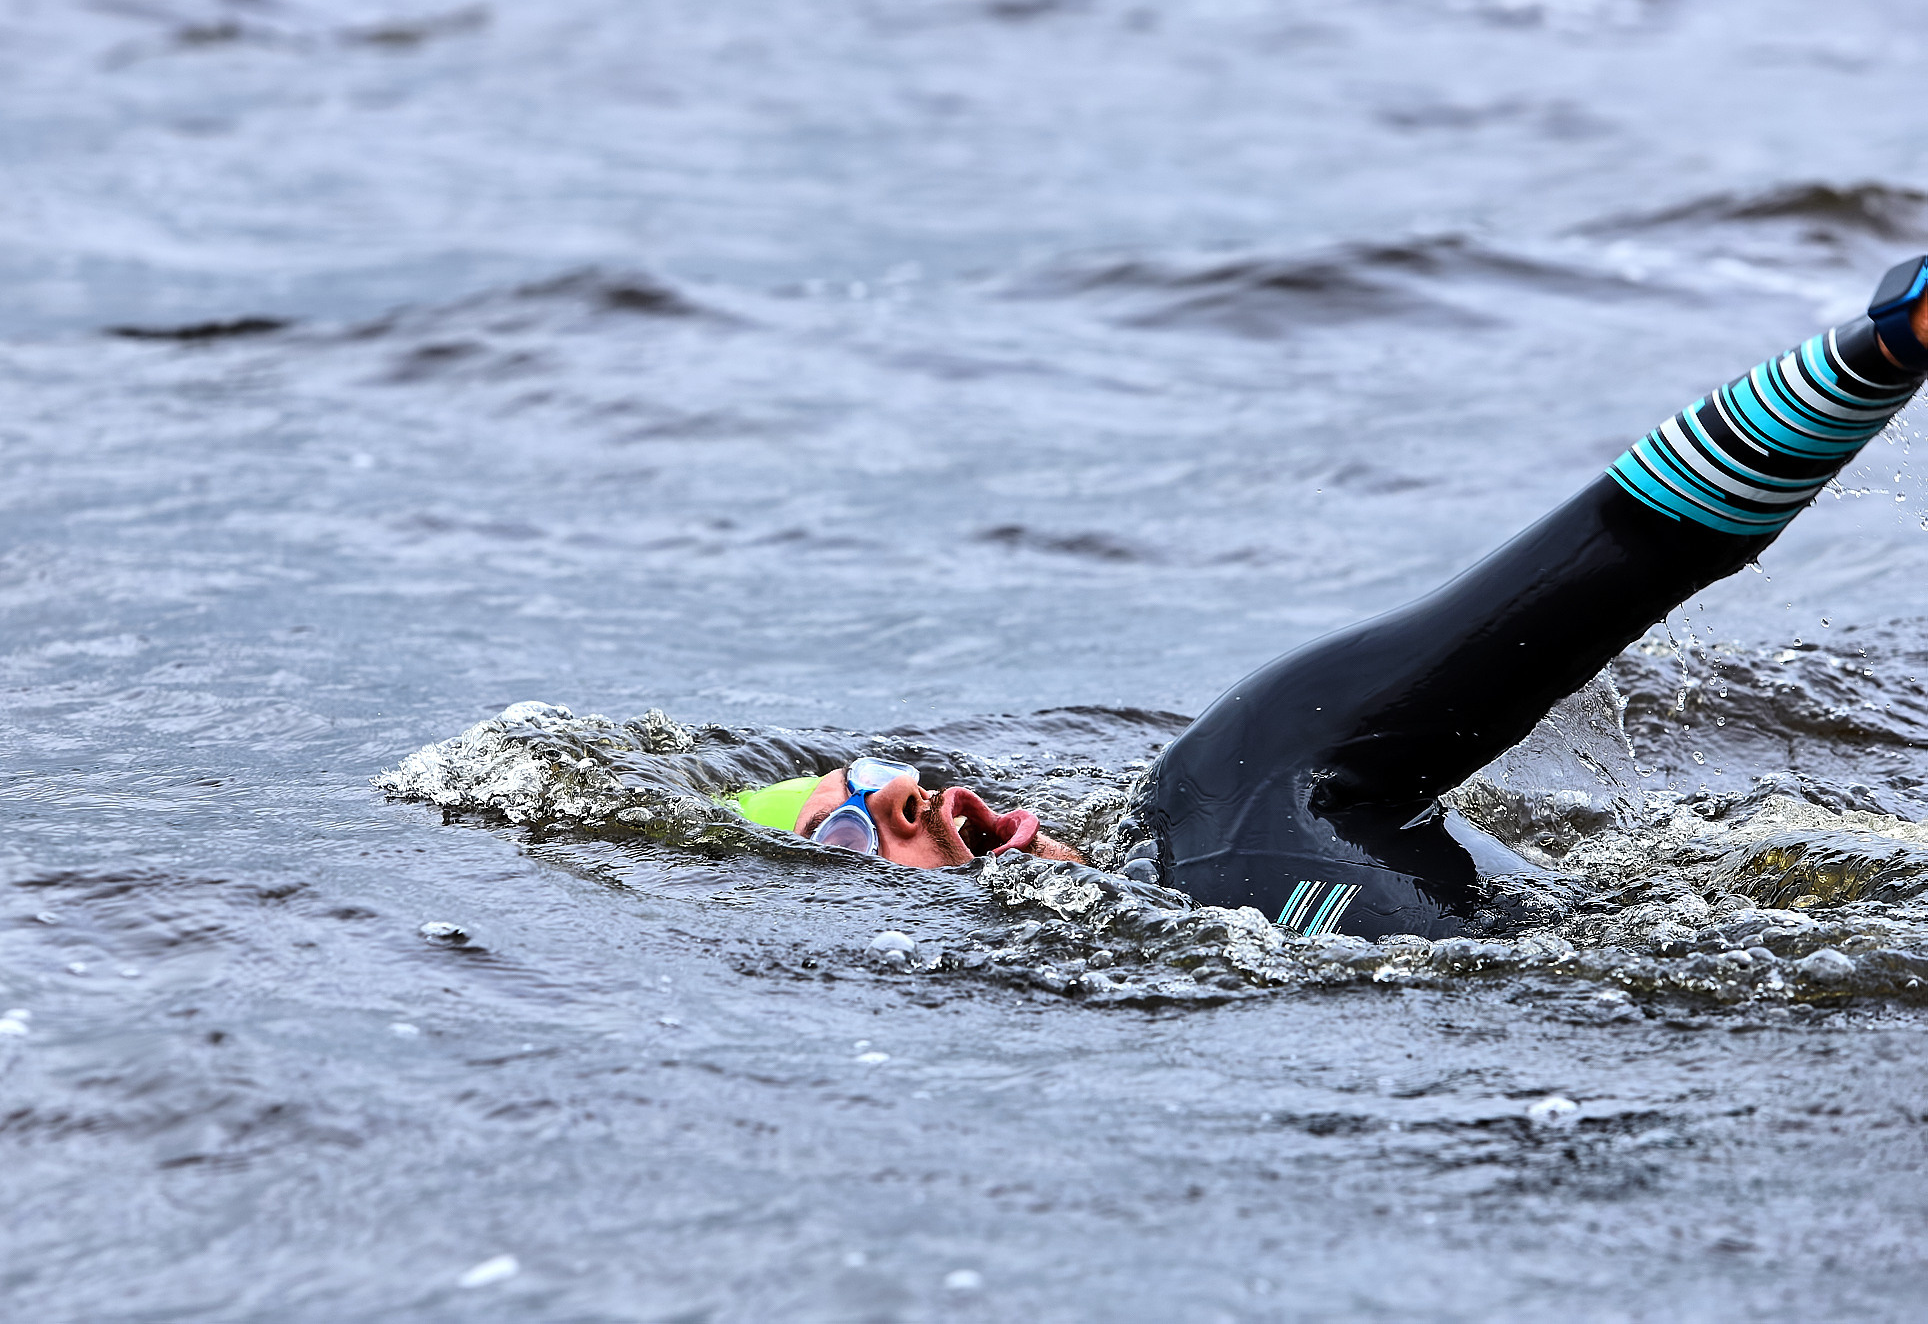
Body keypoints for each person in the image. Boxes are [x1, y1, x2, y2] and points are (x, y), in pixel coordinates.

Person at [735, 258, 1928, 940]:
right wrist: (1882, 347)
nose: (915, 796)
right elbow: (1605, 562)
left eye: (882, 778)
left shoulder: (1201, 855)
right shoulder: (1223, 814)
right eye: (856, 821)